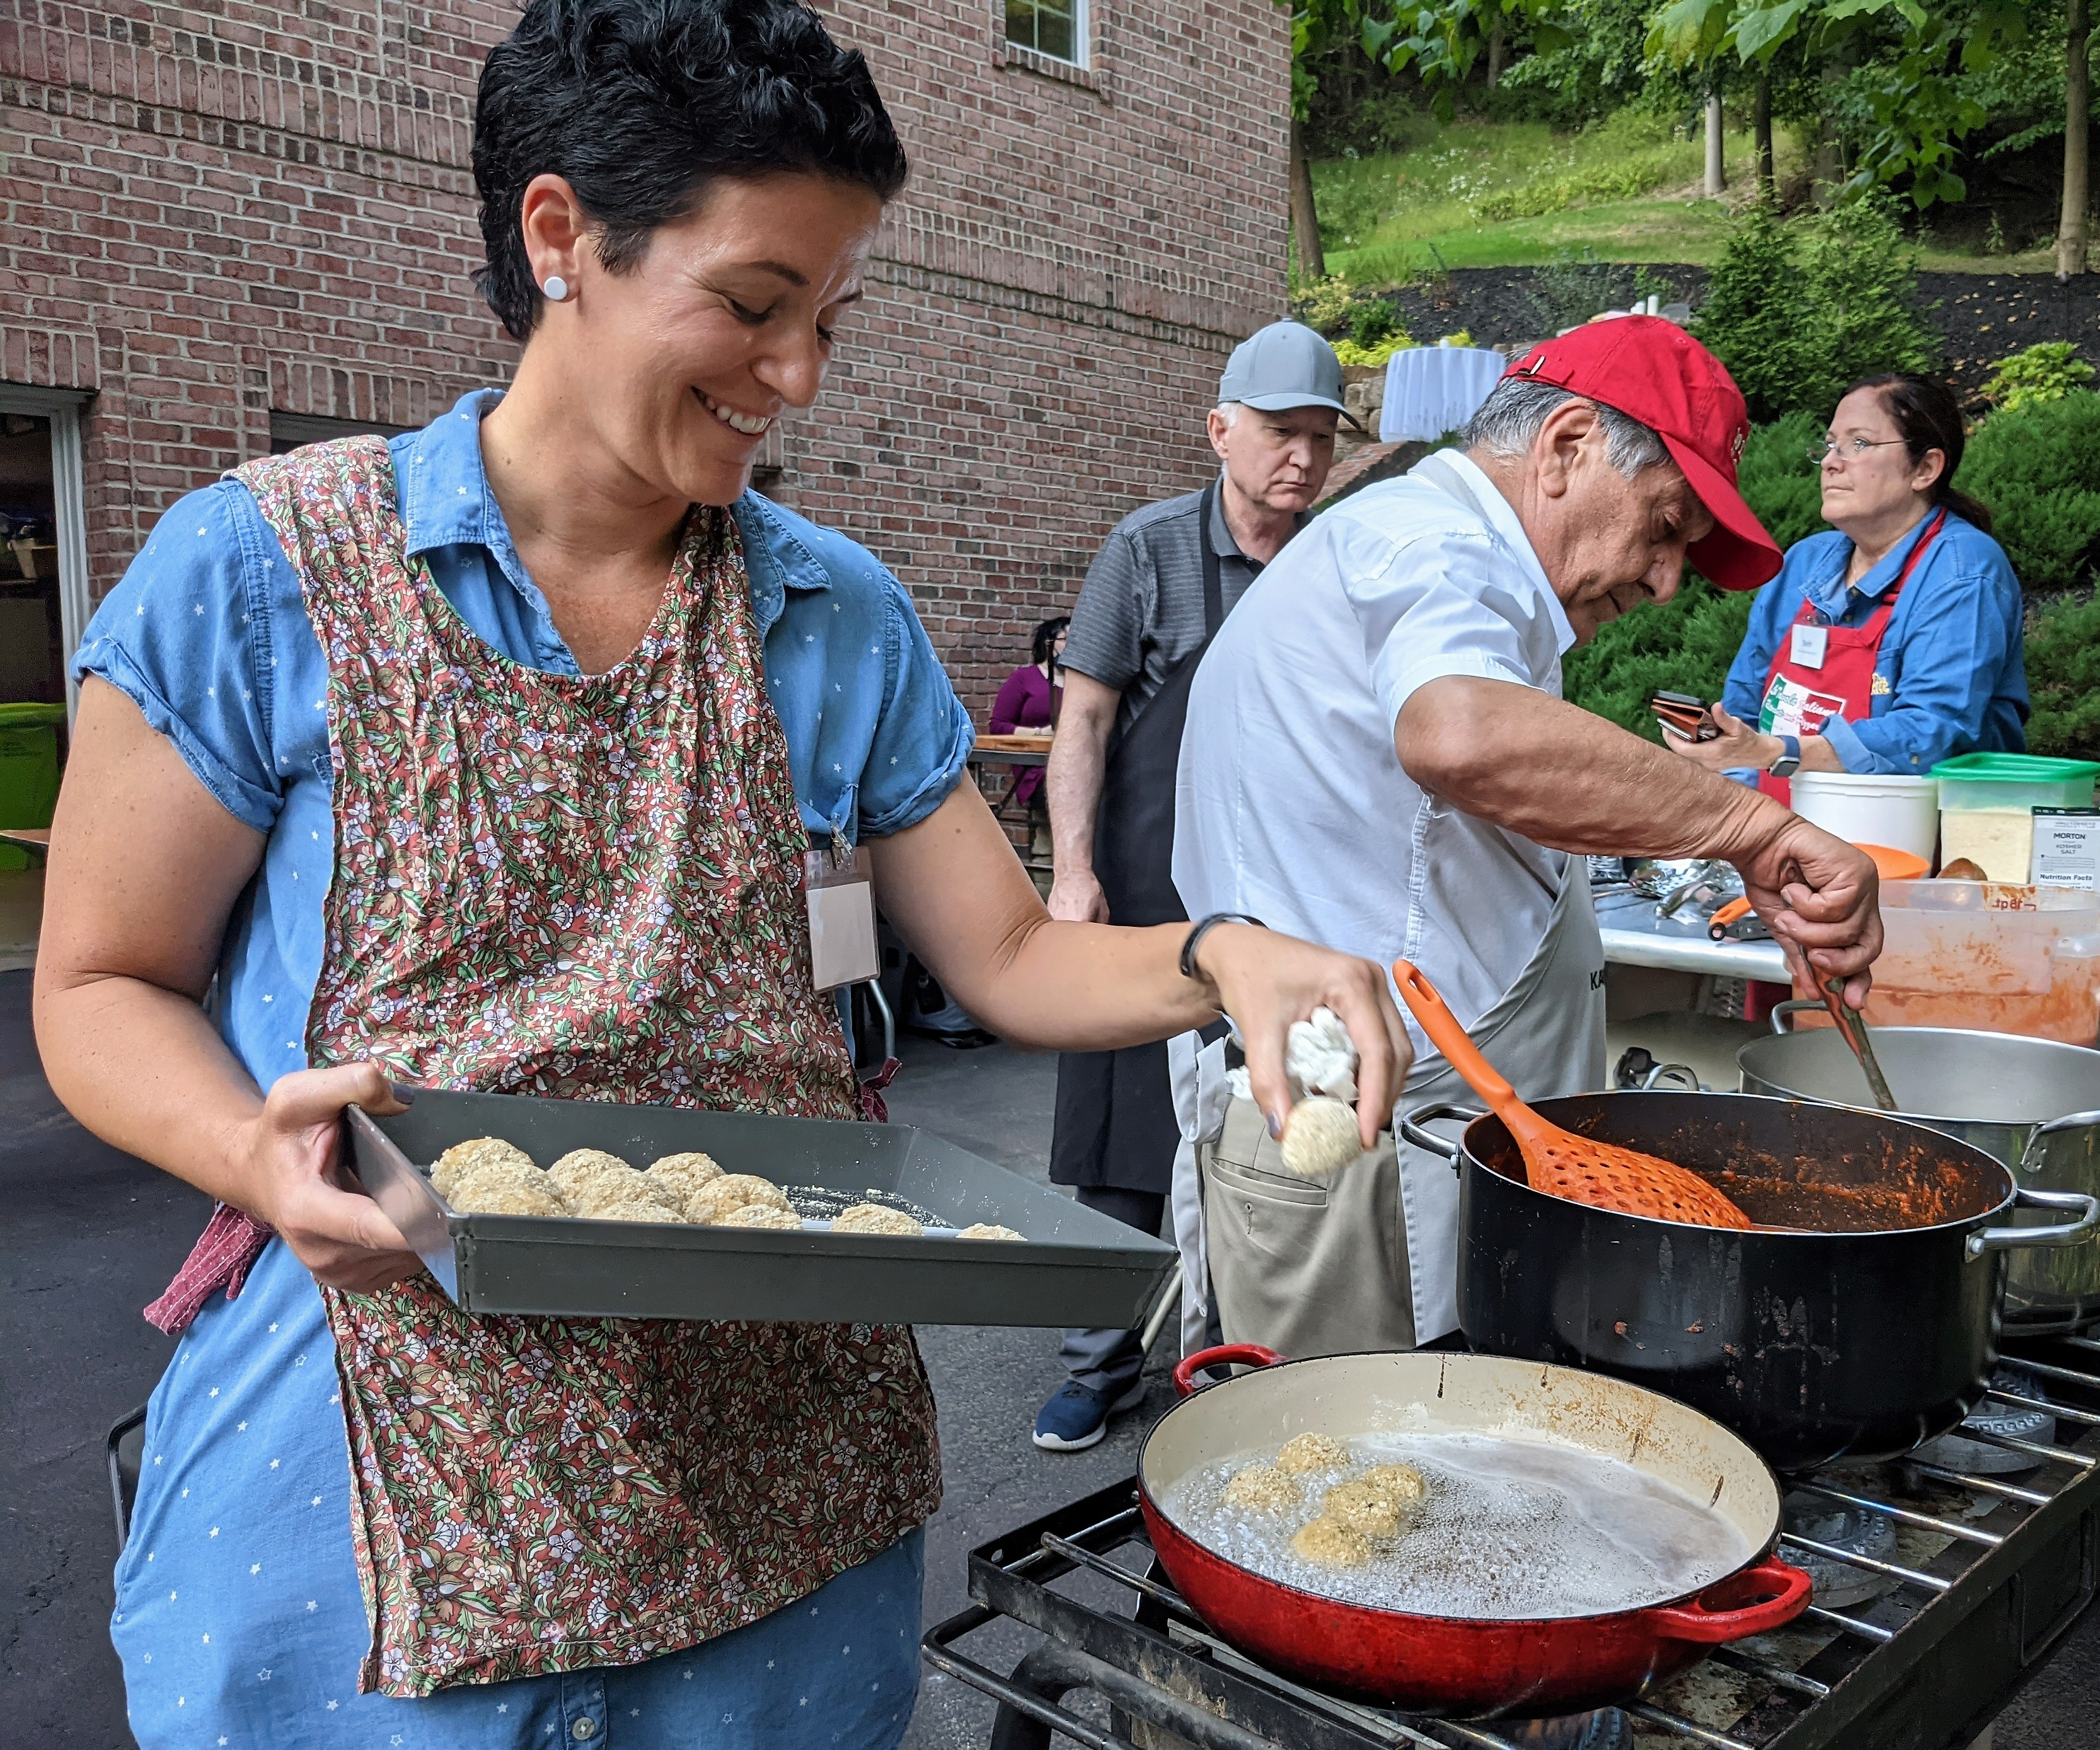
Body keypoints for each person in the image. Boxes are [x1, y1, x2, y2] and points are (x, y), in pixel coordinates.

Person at [33, 6, 1412, 1746]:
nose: (799, 378)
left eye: (831, 318)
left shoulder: (834, 612)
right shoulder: (259, 573)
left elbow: (1001, 958)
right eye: (754, 307)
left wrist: (1228, 954)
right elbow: (99, 985)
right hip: (364, 1467)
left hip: (770, 1485)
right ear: (560, 240)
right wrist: (250, 1153)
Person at [1172, 316, 1883, 1366]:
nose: (1664, 581)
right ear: (1563, 446)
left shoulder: (1464, 566)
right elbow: (1457, 734)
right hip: (1359, 1141)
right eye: (1665, 526)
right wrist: (1746, 824)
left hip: (1412, 1135)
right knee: (1344, 1488)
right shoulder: (1434, 544)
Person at [1034, 320, 1347, 1452]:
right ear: (1220, 430)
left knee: (1277, 1115)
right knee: (1122, 1127)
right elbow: (1085, 717)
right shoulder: (1149, 550)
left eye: (1320, 438)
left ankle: (1247, 1352)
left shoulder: (1334, 560)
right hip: (1148, 890)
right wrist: (1072, 876)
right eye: (1279, 432)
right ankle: (1098, 1360)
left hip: (1285, 891)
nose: (1301, 459)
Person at [1660, 372, 2026, 798]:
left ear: (1925, 468)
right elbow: (1745, 714)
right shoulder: (1804, 562)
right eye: (1831, 445)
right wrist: (1743, 827)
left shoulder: (1963, 572)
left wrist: (1777, 751)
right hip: (1781, 838)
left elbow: (1929, 734)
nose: (1833, 461)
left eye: (1860, 444)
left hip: (1914, 847)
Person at [987, 613, 1067, 809]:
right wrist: (1039, 733)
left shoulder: (1080, 684)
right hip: (1037, 771)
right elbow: (998, 726)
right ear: (1049, 644)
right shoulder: (1024, 679)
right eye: (1066, 639)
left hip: (1073, 764)